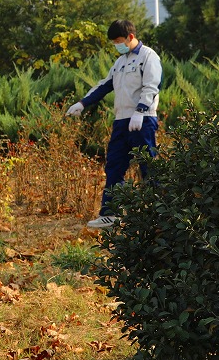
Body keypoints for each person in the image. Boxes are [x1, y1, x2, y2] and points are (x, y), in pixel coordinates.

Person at [68, 20, 161, 230]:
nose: (116, 45)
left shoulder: (148, 56)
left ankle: (159, 212)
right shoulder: (120, 62)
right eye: (114, 42)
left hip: (142, 121)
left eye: (119, 41)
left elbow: (152, 86)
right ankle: (110, 214)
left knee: (148, 167)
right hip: (121, 121)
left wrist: (141, 111)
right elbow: (104, 85)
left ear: (130, 37)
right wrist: (83, 103)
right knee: (114, 166)